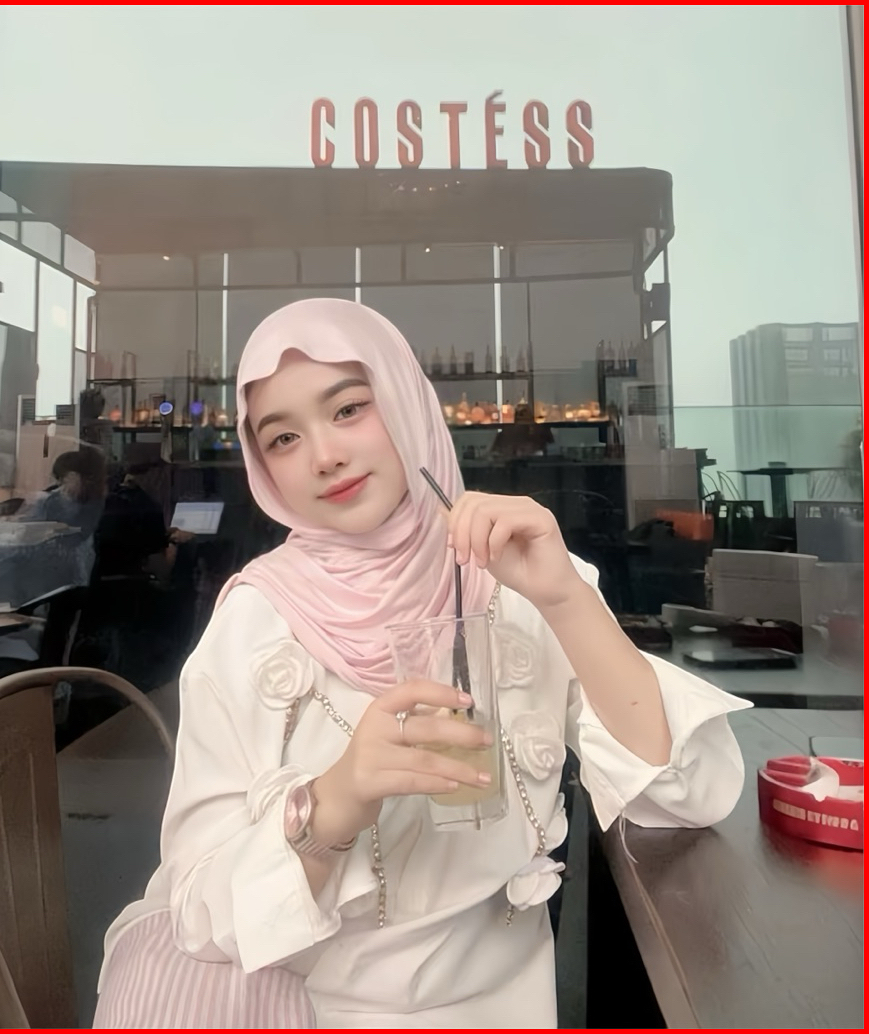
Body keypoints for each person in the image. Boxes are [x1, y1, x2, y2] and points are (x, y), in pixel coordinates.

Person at [94, 299, 750, 1028]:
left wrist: (566, 599)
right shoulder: (255, 623)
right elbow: (196, 909)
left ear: (406, 402)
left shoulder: (516, 577)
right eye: (283, 438)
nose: (324, 455)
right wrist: (335, 801)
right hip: (305, 1011)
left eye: (349, 409)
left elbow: (684, 797)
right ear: (265, 469)